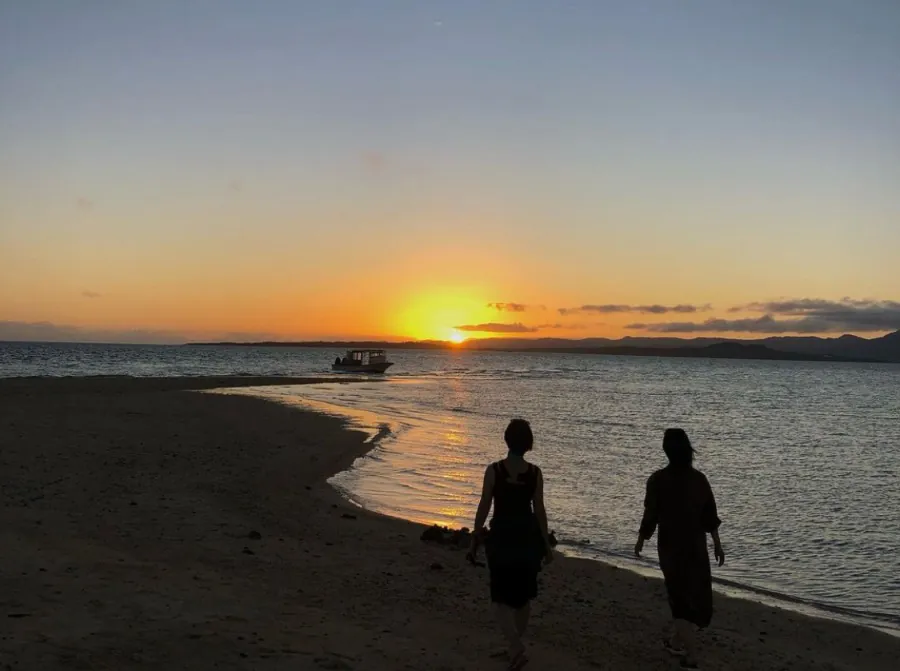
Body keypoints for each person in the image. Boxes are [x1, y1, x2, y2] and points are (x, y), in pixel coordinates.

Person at [634, 428, 724, 669]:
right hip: (695, 547)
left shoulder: (657, 480)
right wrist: (717, 543)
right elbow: (709, 516)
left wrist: (641, 539)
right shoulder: (699, 480)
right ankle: (678, 641)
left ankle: (690, 652)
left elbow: (650, 514)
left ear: (666, 451)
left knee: (680, 599)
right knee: (694, 597)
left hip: (671, 548)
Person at [468, 419, 552, 670]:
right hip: (527, 537)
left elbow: (484, 504)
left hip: (503, 536)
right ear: (528, 444)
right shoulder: (535, 473)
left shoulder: (494, 470)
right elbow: (539, 511)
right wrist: (546, 545)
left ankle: (515, 647)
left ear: (506, 440)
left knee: (500, 599)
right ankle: (514, 646)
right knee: (523, 598)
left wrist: (475, 534)